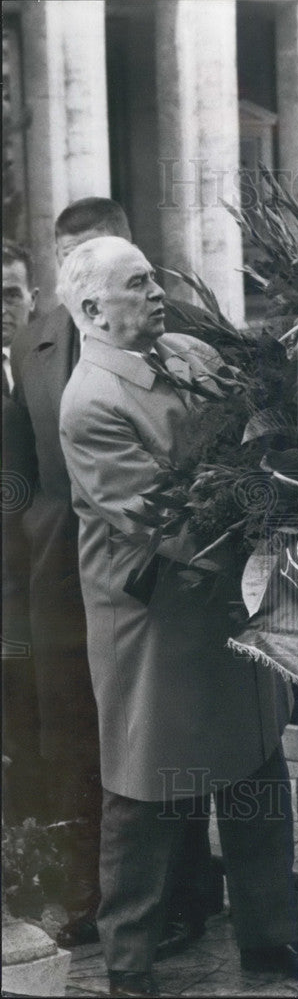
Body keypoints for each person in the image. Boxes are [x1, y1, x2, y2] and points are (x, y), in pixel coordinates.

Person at [57, 236, 298, 997]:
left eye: (153, 278)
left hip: (228, 601)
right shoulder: (91, 403)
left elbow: (258, 421)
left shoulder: (183, 350)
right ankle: (128, 964)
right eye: (138, 284)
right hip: (155, 620)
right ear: (92, 309)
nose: (157, 293)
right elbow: (163, 520)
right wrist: (271, 523)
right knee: (146, 787)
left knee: (255, 765)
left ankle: (271, 942)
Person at [11, 198, 219, 951]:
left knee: (163, 736)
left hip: (155, 573)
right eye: (69, 254)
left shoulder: (178, 335)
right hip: (63, 574)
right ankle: (88, 896)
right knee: (75, 735)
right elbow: (18, 465)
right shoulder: (32, 340)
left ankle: (185, 899)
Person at [2, 241, 41, 823]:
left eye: (10, 294)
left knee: (42, 739)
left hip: (49, 589)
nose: (1, 307)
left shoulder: (51, 368)